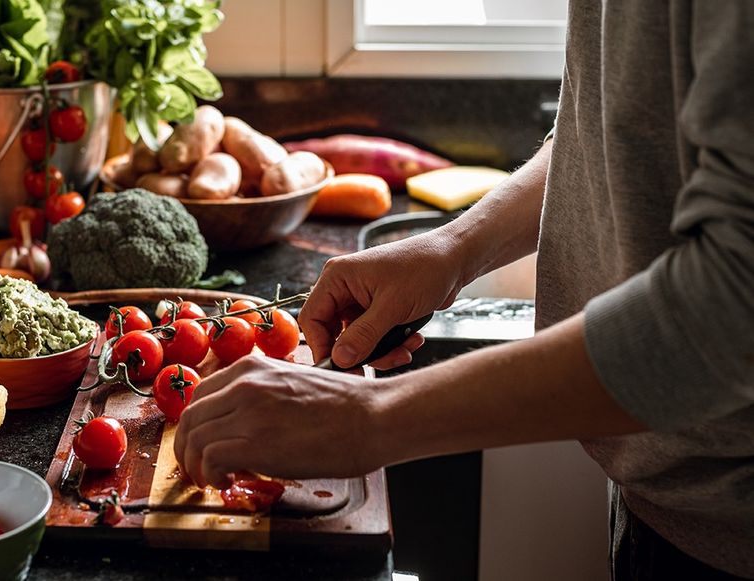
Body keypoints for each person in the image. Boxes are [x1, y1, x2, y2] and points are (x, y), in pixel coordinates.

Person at [174, 1, 753, 579]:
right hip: (664, 492)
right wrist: (453, 249)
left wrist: (374, 418)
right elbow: (609, 130)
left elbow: (733, 306)